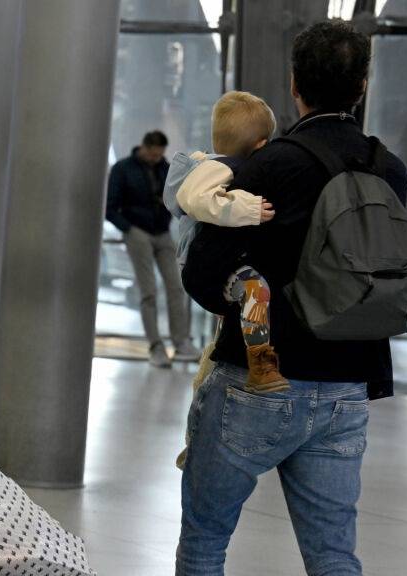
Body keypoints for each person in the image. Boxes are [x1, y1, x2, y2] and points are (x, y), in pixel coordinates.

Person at [176, 21, 407, 576]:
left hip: (259, 377)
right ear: (363, 84)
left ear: (294, 84)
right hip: (349, 385)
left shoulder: (271, 165)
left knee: (206, 538)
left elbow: (204, 274)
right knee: (332, 554)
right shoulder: (389, 170)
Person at [168, 91, 281, 471]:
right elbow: (194, 198)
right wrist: (248, 209)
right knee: (255, 292)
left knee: (212, 359)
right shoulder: (220, 167)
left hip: (207, 264)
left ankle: (193, 438)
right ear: (262, 145)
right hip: (205, 266)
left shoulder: (216, 164)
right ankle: (262, 365)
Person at [107, 130, 200, 368]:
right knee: (148, 291)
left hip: (162, 232)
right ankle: (155, 346)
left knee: (175, 287)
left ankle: (181, 342)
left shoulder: (163, 167)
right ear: (144, 147)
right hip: (138, 231)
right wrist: (128, 228)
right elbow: (110, 207)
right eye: (152, 154)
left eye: (159, 155)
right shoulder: (122, 169)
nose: (155, 158)